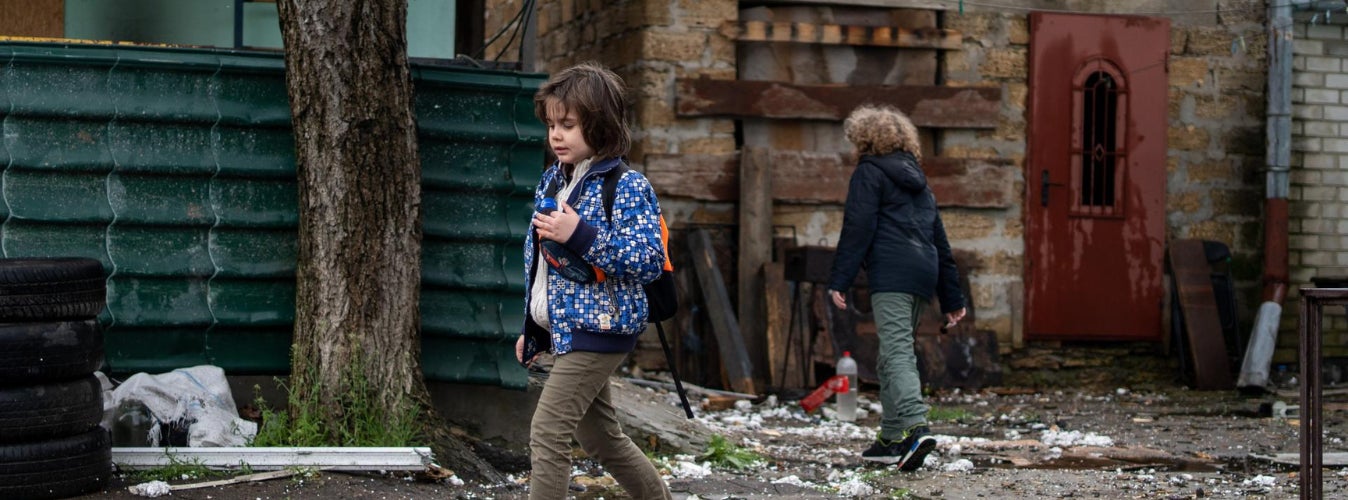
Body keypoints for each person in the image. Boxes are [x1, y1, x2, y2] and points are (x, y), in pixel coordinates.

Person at [514, 62, 672, 500]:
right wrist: (535, 329)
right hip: (570, 331)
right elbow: (543, 265)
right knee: (601, 438)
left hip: (602, 329)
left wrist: (580, 235)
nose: (556, 135)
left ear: (599, 126)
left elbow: (647, 260)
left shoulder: (626, 186)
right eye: (551, 125)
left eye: (568, 124)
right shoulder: (554, 180)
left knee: (547, 430)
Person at [827, 104, 967, 471]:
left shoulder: (868, 173)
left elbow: (858, 227)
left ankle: (916, 427)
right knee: (890, 354)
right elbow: (940, 239)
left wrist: (840, 278)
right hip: (923, 272)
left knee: (898, 351)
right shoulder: (919, 180)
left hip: (892, 272)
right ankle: (891, 437)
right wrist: (952, 297)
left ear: (863, 139)